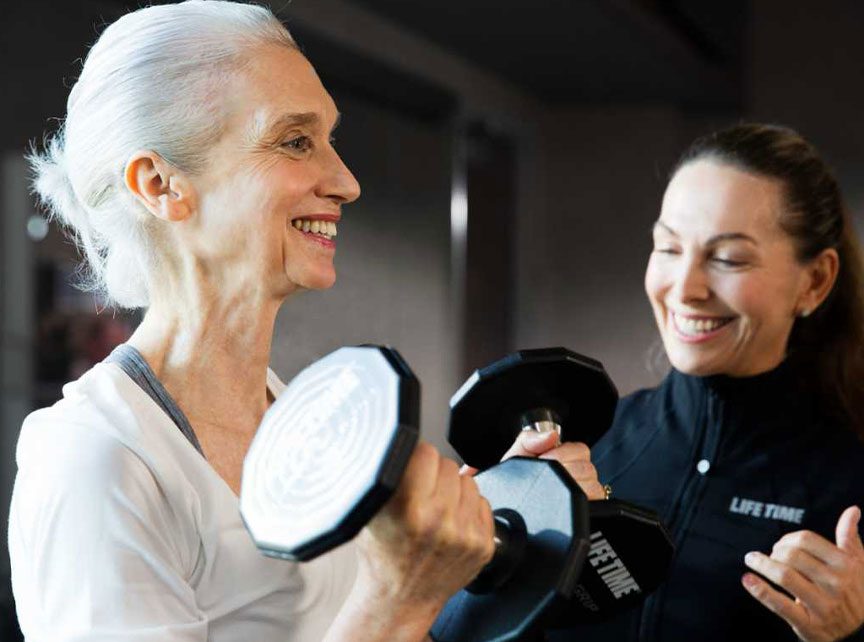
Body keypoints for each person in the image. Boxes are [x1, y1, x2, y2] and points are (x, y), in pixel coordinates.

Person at [9, 2, 604, 641]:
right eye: (295, 141)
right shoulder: (96, 456)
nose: (345, 181)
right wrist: (396, 594)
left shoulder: (295, 416)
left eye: (329, 140)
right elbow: (381, 610)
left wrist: (477, 530)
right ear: (159, 184)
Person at [549, 123, 864, 641]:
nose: (686, 287)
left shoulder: (850, 474)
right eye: (669, 248)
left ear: (815, 281)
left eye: (727, 259)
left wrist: (848, 634)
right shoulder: (587, 443)